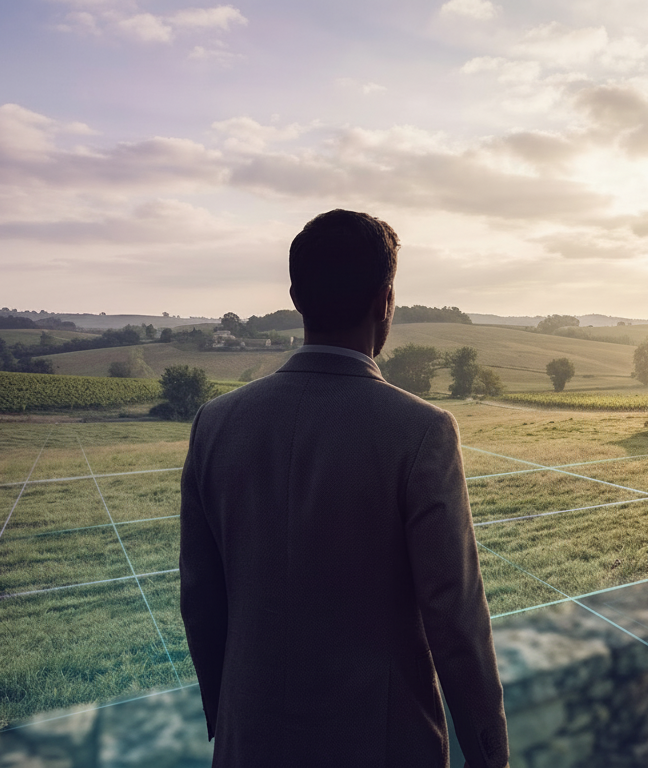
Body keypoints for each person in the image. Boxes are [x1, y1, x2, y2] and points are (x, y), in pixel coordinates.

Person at [179, 209, 509, 768]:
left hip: (247, 744)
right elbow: (455, 620)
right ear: (385, 300)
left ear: (296, 295)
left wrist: (230, 716)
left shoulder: (215, 423)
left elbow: (200, 599)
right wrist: (489, 754)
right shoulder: (422, 432)